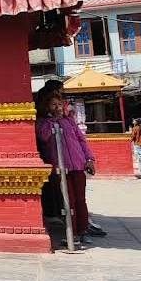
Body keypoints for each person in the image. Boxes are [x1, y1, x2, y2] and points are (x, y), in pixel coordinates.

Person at [36, 91, 96, 247]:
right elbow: (44, 137)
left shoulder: (69, 122)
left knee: (81, 200)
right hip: (62, 167)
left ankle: (83, 230)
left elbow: (81, 141)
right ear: (47, 106)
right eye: (53, 104)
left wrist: (89, 159)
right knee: (69, 201)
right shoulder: (43, 123)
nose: (58, 107)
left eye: (59, 104)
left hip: (78, 164)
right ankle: (72, 232)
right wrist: (53, 120)